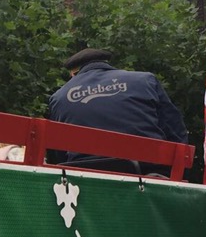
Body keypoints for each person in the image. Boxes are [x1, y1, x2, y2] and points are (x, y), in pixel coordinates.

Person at [47, 48, 187, 170]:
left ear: (73, 73)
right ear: (106, 64)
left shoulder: (60, 97)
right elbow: (175, 131)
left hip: (83, 177)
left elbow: (58, 154)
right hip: (147, 171)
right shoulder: (145, 80)